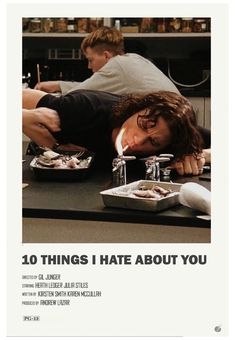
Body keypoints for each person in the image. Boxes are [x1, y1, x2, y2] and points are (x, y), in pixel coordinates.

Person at [23, 88, 210, 175]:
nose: (138, 141)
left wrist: (199, 155)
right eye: (145, 124)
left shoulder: (176, 131)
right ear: (138, 107)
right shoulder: (85, 107)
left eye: (153, 143)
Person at [34, 26, 179, 96]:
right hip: (178, 124)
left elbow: (76, 96)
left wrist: (38, 97)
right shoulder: (133, 59)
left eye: (90, 60)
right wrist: (57, 85)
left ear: (106, 56)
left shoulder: (116, 66)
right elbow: (93, 86)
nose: (89, 66)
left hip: (168, 131)